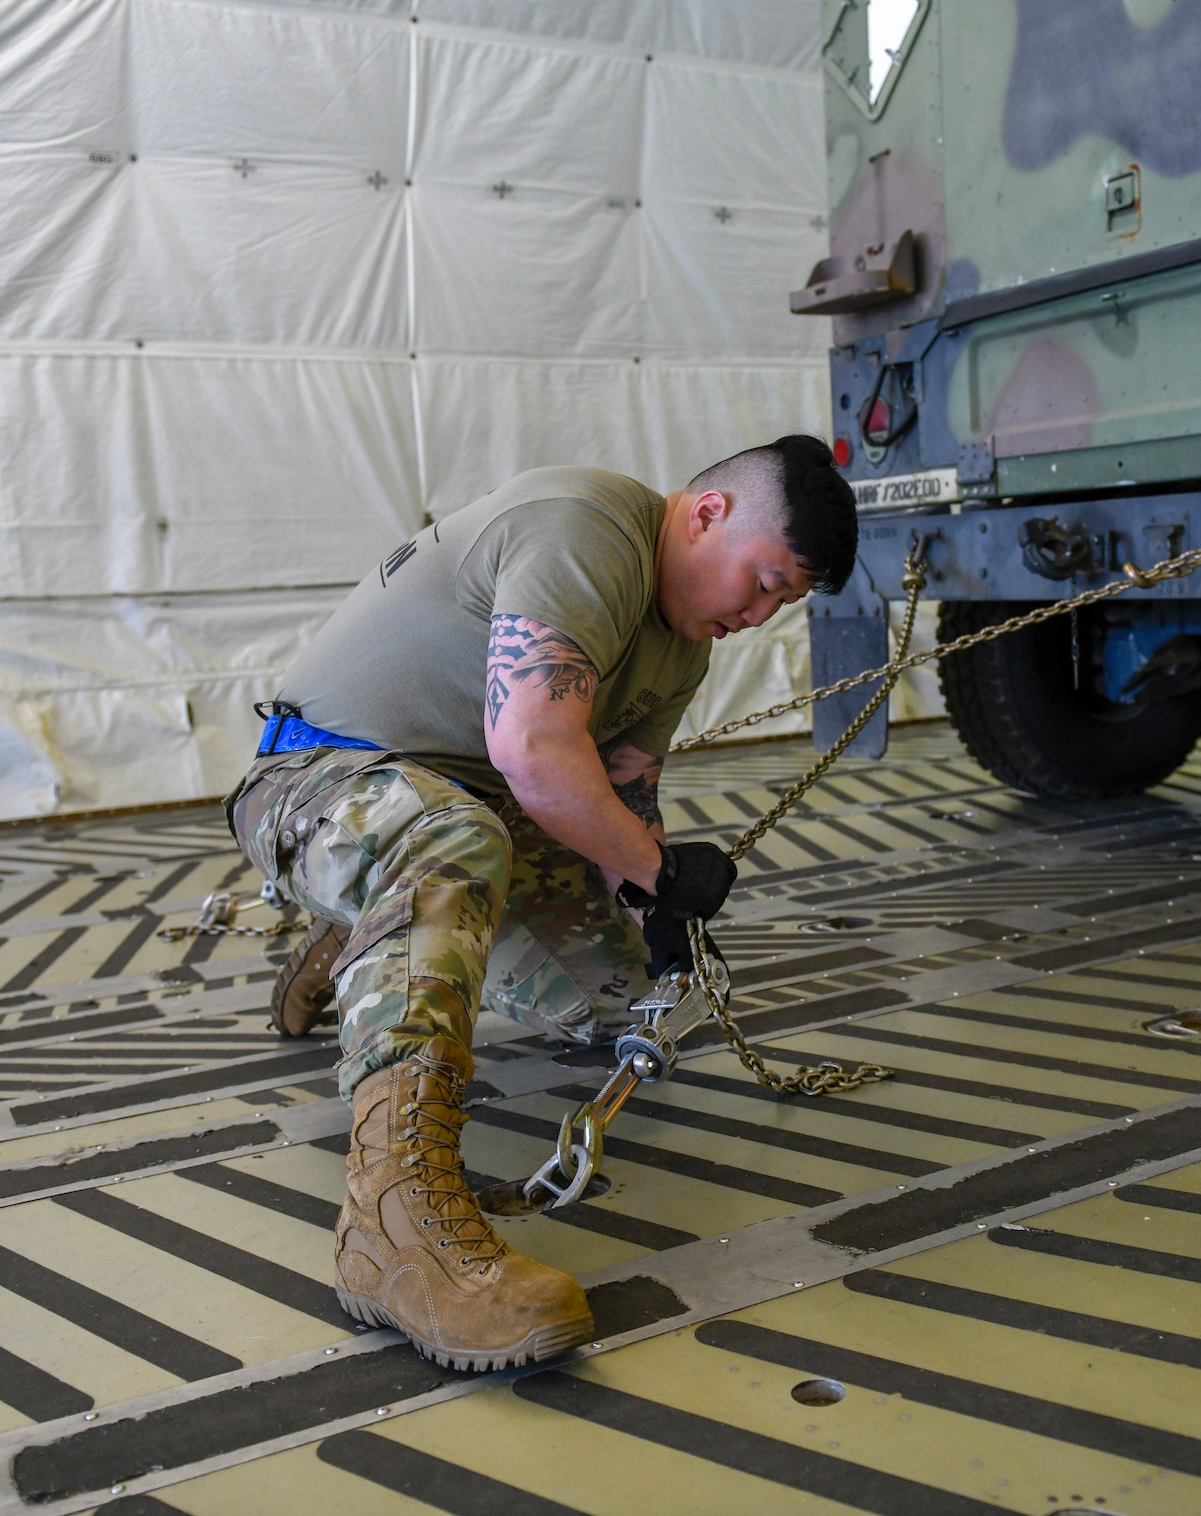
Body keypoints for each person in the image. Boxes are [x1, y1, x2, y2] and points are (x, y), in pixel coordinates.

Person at [224, 437, 858, 1371]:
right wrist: (659, 865)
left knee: (610, 1004)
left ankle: (373, 927)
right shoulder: (587, 526)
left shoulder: (681, 651)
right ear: (708, 514)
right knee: (448, 841)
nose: (758, 616)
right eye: (762, 582)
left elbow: (619, 800)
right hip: (319, 780)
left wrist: (661, 915)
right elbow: (532, 750)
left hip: (465, 816)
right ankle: (390, 1231)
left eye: (783, 604)